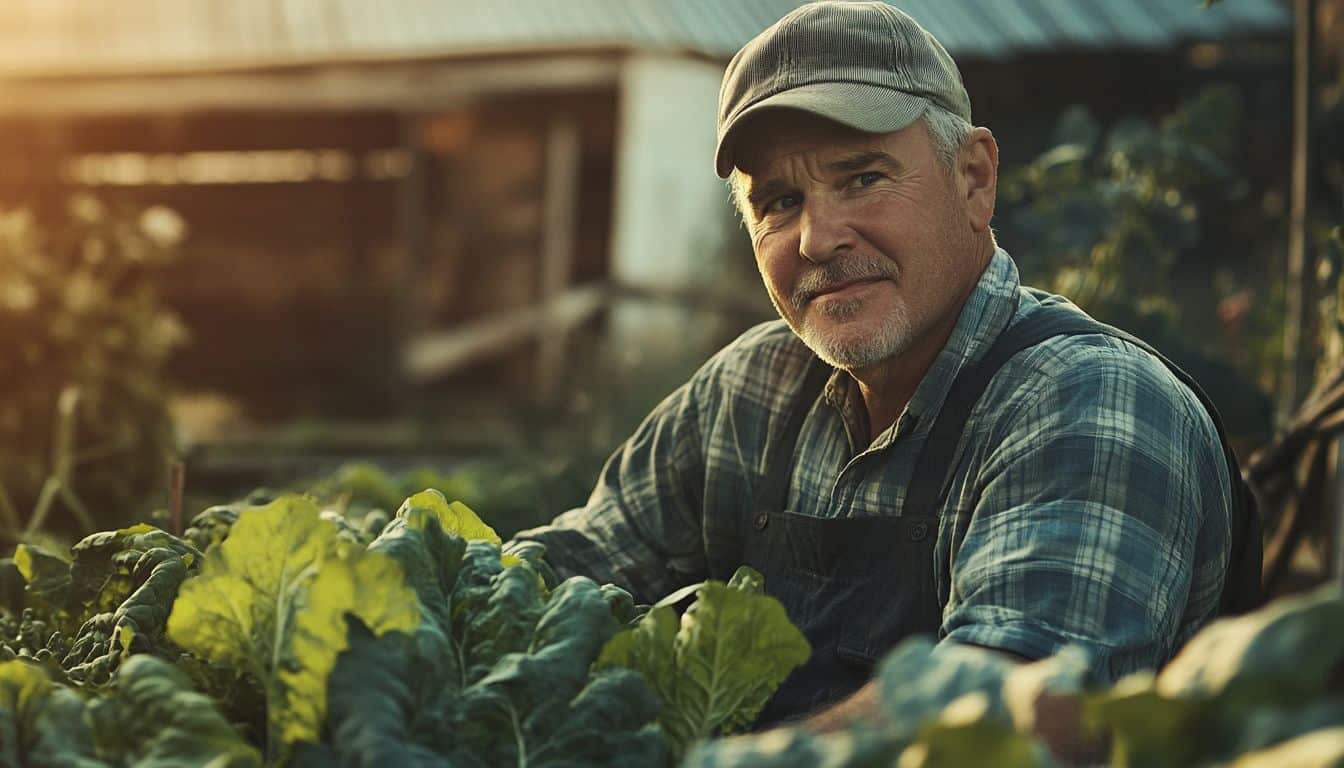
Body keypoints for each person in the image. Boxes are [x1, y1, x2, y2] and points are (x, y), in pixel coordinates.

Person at [511, 0, 1236, 734]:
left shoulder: (1091, 402)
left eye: (862, 178)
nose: (818, 239)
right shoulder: (751, 391)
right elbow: (567, 570)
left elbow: (1009, 717)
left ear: (974, 179)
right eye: (781, 201)